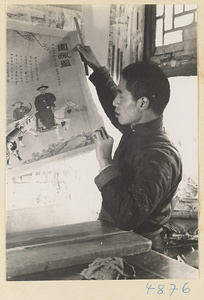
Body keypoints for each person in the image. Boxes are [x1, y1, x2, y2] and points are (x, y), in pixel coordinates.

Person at [76, 45, 182, 253]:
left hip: (140, 250)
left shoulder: (160, 156)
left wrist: (105, 162)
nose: (116, 101)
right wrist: (97, 68)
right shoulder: (138, 130)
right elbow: (111, 102)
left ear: (142, 103)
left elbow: (128, 217)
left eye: (122, 95)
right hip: (116, 240)